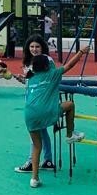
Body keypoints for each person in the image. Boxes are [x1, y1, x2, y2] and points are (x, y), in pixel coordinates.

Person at [23, 46, 87, 189]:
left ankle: (34, 178)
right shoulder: (53, 74)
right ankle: (70, 134)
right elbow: (69, 65)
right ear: (47, 66)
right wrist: (81, 52)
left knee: (36, 146)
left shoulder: (30, 78)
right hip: (46, 111)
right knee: (70, 105)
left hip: (29, 114)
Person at [12, 34, 57, 174]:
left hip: (40, 103)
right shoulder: (29, 62)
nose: (34, 49)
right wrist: (23, 80)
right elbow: (33, 82)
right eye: (32, 46)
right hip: (32, 100)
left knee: (35, 132)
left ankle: (31, 162)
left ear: (42, 47)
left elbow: (49, 79)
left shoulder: (46, 60)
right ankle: (48, 160)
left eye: (37, 46)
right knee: (42, 131)